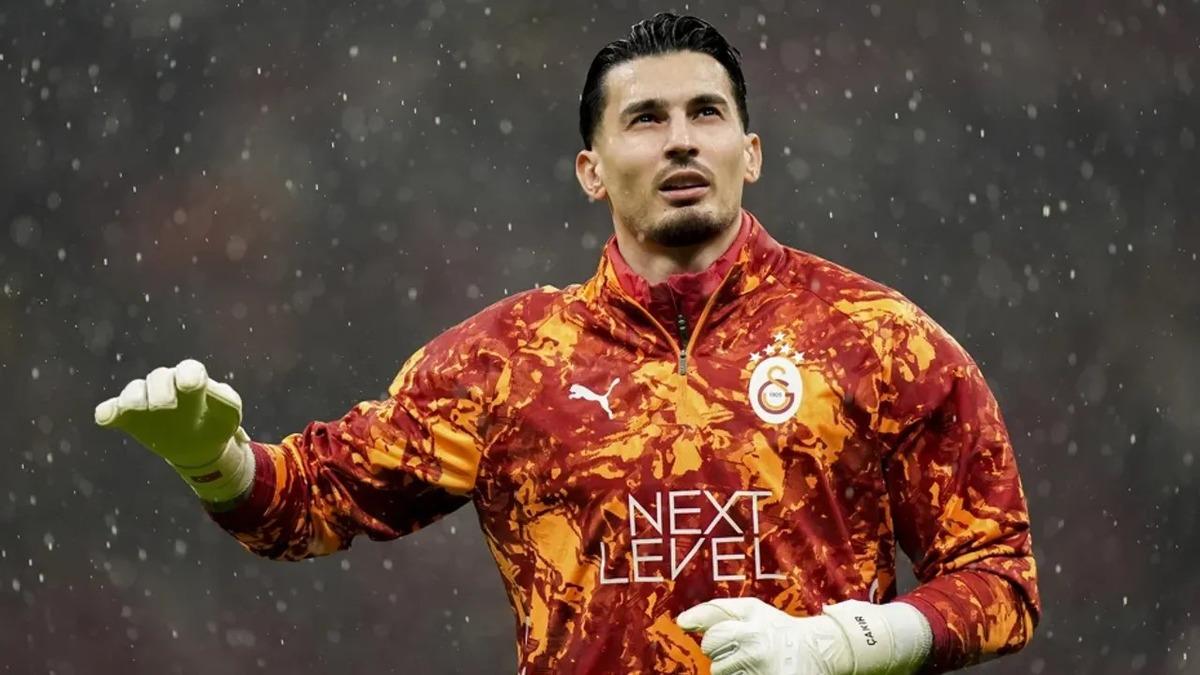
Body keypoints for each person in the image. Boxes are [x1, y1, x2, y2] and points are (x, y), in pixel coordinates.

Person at [94, 12, 1039, 675]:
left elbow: (1000, 579)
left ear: (749, 152)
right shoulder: (506, 361)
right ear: (592, 170)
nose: (681, 141)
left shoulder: (880, 338)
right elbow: (308, 504)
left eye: (706, 113)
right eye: (646, 119)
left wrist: (842, 645)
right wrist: (214, 460)